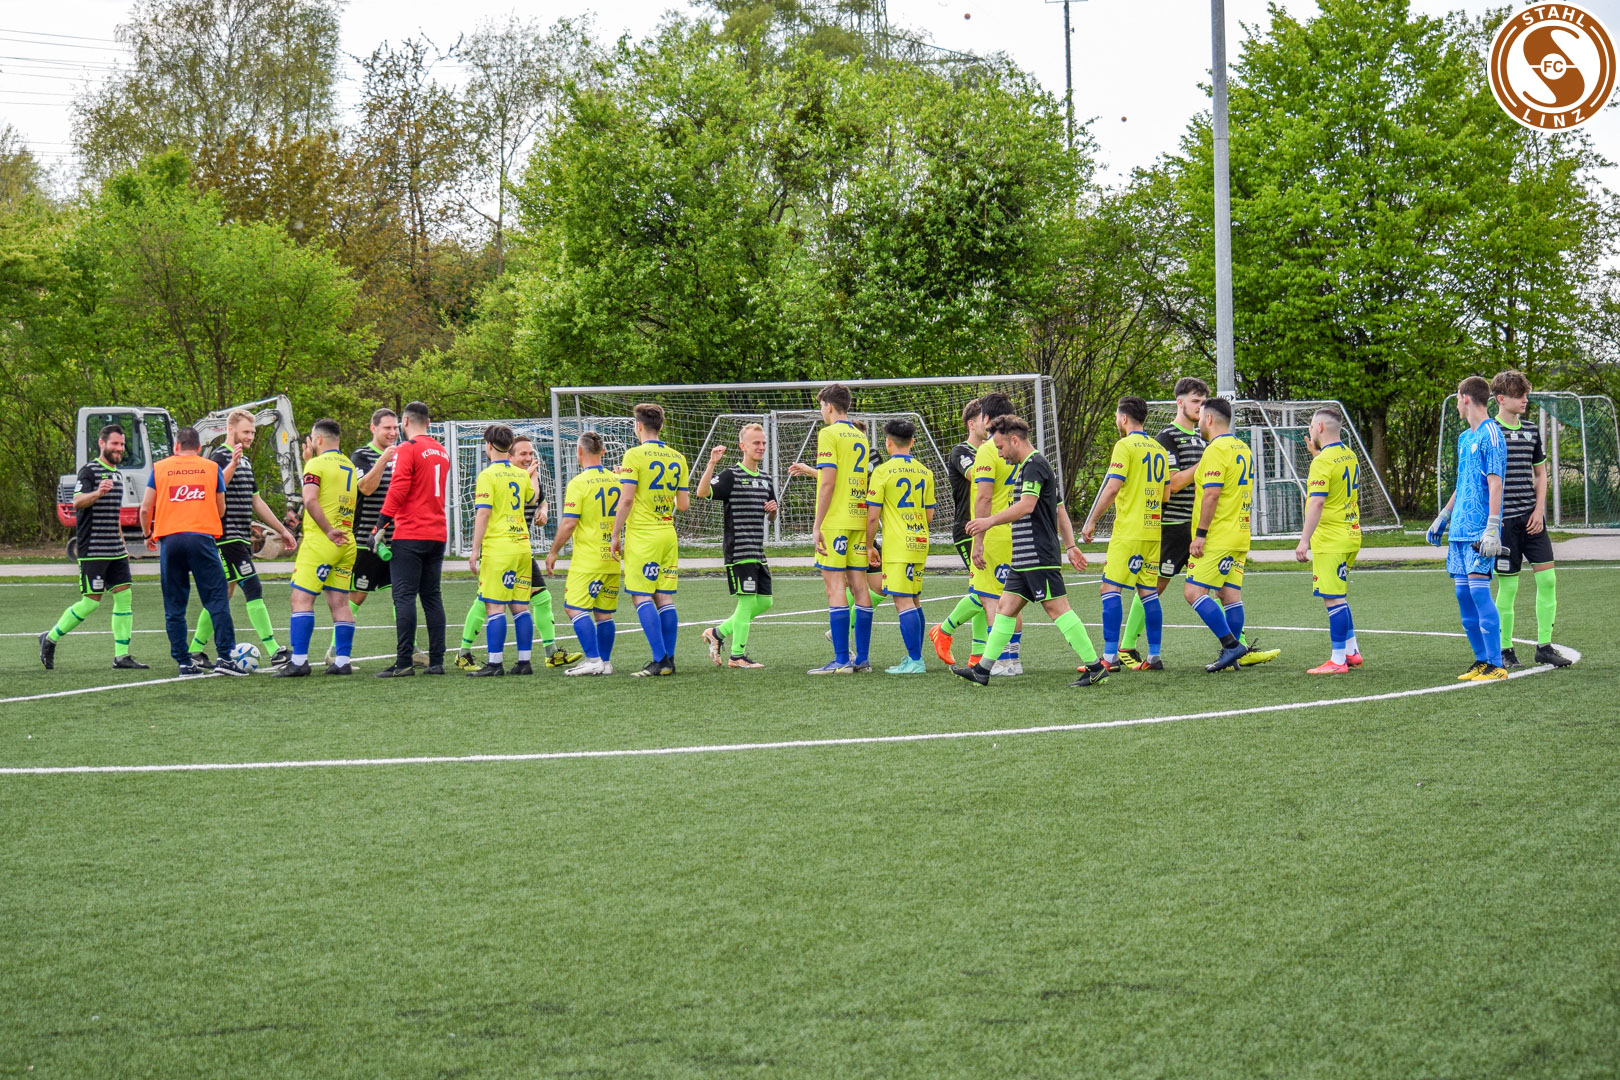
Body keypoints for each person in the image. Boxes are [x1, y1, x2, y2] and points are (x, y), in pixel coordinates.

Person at [953, 415, 1102, 686]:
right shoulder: (1029, 466)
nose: (1000, 453)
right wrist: (1070, 546)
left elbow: (1027, 506)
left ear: (1014, 440)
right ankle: (983, 670)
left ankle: (1095, 667)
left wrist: (988, 521)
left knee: (1058, 609)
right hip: (1023, 558)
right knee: (1005, 608)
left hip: (1037, 555)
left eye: (1001, 447)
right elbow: (1059, 509)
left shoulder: (1035, 465)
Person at [186, 409, 298, 668]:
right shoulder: (219, 457)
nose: (250, 436)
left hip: (239, 538)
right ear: (230, 429)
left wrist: (283, 530)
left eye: (253, 432)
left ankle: (194, 651)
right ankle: (274, 650)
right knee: (253, 588)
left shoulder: (245, 462)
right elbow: (212, 489)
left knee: (223, 593)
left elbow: (256, 501)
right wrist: (232, 464)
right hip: (225, 538)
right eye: (246, 432)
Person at [458, 434, 581, 670]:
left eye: (531, 453)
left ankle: (534, 655)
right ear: (509, 454)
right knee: (493, 602)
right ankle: (467, 652)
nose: (528, 457)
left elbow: (538, 500)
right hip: (515, 547)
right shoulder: (519, 476)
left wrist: (543, 510)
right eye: (523, 453)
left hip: (506, 548)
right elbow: (528, 498)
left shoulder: (510, 476)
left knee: (512, 601)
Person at [139, 426, 250, 676]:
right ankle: (225, 657)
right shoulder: (211, 468)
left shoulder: (160, 468)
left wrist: (147, 535)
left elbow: (145, 509)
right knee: (217, 598)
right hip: (202, 538)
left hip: (171, 540)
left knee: (174, 604)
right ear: (199, 447)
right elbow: (221, 508)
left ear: (176, 446)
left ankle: (184, 661)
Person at [40, 423, 149, 671]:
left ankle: (121, 656)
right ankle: (50, 638)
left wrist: (123, 544)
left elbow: (114, 513)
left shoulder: (118, 474)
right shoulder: (89, 471)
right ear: (102, 443)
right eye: (115, 444)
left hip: (115, 549)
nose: (119, 448)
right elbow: (77, 501)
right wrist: (98, 492)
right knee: (91, 602)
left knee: (125, 597)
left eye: (122, 444)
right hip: (93, 548)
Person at [1117, 377, 1205, 665]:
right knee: (1154, 587)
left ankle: (1237, 644)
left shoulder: (1204, 437)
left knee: (1215, 586)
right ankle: (1127, 646)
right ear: (1180, 402)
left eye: (1203, 402)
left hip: (1198, 526)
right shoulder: (1167, 438)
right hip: (1172, 526)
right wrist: (1206, 463)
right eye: (1195, 401)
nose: (1200, 407)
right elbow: (1174, 483)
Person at [1428, 376, 1509, 681]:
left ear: (1464, 397)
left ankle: (1496, 664)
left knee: (1479, 593)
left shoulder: (1492, 434)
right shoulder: (1465, 438)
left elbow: (1496, 483)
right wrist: (1444, 516)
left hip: (1479, 532)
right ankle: (1480, 660)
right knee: (1463, 595)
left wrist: (1492, 528)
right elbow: (1463, 484)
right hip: (1459, 531)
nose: (1457, 405)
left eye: (1457, 398)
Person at [1080, 396, 1169, 672]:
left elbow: (1113, 487)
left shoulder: (1124, 445)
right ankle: (1154, 656)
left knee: (1110, 588)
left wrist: (1091, 521)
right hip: (1153, 531)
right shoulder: (1159, 449)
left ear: (1124, 418)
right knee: (1148, 592)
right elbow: (1166, 495)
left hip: (1129, 531)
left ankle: (1110, 657)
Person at [1489, 371, 1570, 668]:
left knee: (1548, 579)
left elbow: (1540, 474)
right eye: (1519, 395)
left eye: (1526, 394)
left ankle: (1544, 647)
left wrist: (1539, 510)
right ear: (1501, 399)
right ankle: (1505, 650)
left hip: (1532, 520)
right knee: (1508, 588)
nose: (1525, 400)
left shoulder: (1532, 430)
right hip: (1504, 525)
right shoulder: (1489, 432)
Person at [1183, 398, 1265, 673]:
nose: (1198, 423)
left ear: (1209, 419)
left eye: (1200, 418)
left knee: (1193, 592)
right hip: (1239, 533)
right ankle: (1231, 656)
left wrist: (1200, 534)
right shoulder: (1243, 448)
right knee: (1230, 595)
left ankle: (1231, 645)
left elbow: (1212, 494)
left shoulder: (1215, 450)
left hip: (1218, 536)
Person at [271, 418, 358, 677]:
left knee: (300, 599)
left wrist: (328, 530)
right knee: (340, 602)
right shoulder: (349, 465)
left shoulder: (316, 465)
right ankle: (342, 661)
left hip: (322, 540)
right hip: (347, 541)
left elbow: (310, 500)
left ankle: (299, 661)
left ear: (318, 439)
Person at [611, 403, 689, 677]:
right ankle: (669, 659)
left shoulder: (633, 455)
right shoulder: (678, 457)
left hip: (643, 535)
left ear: (639, 426)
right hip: (667, 533)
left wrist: (615, 534)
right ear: (662, 426)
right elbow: (683, 505)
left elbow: (627, 499)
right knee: (664, 597)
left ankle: (659, 660)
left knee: (641, 595)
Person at [374, 401, 451, 678]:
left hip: (410, 533)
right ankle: (437, 661)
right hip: (437, 532)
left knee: (404, 596)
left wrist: (381, 523)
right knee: (432, 596)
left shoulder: (408, 448)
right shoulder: (441, 450)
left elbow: (399, 487)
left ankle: (404, 662)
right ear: (428, 423)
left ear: (404, 422)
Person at [806, 384, 875, 674]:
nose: (822, 411)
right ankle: (862, 659)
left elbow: (828, 481)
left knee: (834, 586)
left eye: (821, 406)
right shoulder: (860, 435)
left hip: (835, 520)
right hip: (858, 517)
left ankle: (841, 660)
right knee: (859, 586)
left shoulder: (829, 433)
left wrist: (817, 524)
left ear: (830, 406)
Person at [698, 423, 779, 669]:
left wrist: (773, 511)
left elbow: (772, 515)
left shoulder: (765, 479)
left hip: (757, 551)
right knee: (747, 603)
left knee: (765, 602)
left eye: (763, 443)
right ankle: (737, 656)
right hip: (739, 550)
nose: (761, 447)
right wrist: (712, 463)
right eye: (756, 443)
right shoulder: (731, 475)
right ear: (743, 446)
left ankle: (717, 633)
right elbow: (702, 492)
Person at [1294, 408, 1364, 674]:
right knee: (1339, 595)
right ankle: (1351, 651)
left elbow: (1317, 502)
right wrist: (1317, 454)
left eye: (1312, 426)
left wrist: (1304, 541)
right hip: (1350, 533)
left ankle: (1337, 661)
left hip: (1331, 538)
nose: (1310, 430)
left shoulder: (1322, 462)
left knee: (1333, 599)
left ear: (1320, 427)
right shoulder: (1349, 455)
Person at [547, 432, 622, 676]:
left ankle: (593, 659)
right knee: (603, 613)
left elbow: (569, 523)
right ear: (603, 452)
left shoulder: (579, 483)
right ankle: (605, 663)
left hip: (588, 559)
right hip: (612, 556)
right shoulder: (618, 480)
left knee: (574, 608)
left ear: (579, 452)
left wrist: (553, 552)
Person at [864, 418, 936, 673]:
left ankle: (915, 661)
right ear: (912, 442)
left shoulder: (882, 472)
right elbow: (929, 515)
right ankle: (915, 657)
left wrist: (869, 545)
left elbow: (872, 516)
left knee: (902, 601)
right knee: (914, 599)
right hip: (920, 540)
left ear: (888, 443)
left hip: (898, 545)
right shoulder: (925, 472)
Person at [465, 425, 534, 676]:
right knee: (520, 606)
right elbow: (531, 499)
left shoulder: (488, 475)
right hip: (522, 546)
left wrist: (475, 549)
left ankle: (494, 664)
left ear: (489, 445)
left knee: (495, 607)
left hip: (499, 548)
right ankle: (524, 662)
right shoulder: (521, 474)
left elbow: (483, 513)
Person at [930, 398, 992, 666]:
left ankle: (977, 655)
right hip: (968, 528)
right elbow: (978, 476)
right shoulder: (961, 452)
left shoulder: (993, 451)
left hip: (989, 527)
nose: (989, 424)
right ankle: (943, 630)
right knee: (984, 591)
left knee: (983, 588)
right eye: (985, 420)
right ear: (972, 424)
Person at [968, 393, 1025, 675]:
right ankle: (1012, 659)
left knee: (992, 598)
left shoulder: (988, 449)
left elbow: (984, 497)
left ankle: (1000, 661)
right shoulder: (1020, 447)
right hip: (1019, 531)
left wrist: (978, 539)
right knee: (1013, 599)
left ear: (987, 419)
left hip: (995, 534)